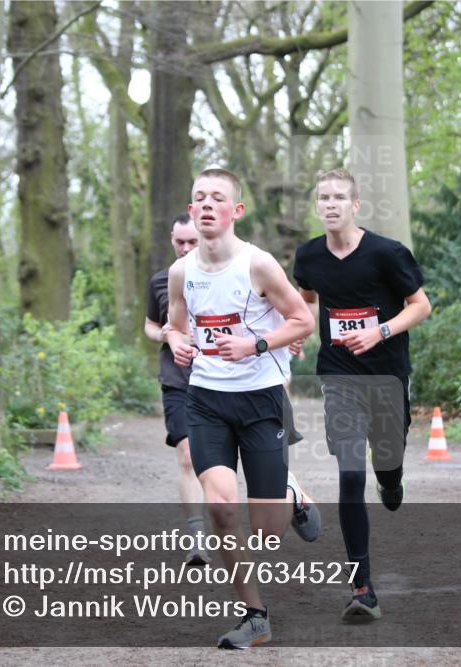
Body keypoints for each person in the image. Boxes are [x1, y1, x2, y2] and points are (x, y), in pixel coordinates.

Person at [166, 167, 320, 649]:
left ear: (236, 212)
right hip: (207, 401)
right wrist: (176, 342)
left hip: (261, 401)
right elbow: (174, 324)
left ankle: (290, 493)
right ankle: (255, 616)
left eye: (218, 198)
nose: (207, 204)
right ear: (192, 212)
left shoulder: (259, 265)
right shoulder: (180, 272)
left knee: (269, 533)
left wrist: (256, 345)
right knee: (222, 508)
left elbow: (303, 321)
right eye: (199, 198)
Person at [291, 168, 432, 622]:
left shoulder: (387, 254)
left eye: (339, 198)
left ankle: (391, 480)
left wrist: (381, 331)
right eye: (323, 198)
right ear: (317, 206)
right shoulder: (308, 256)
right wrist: (299, 332)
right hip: (340, 378)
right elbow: (308, 298)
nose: (330, 205)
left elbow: (421, 306)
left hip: (388, 377)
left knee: (386, 464)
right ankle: (363, 586)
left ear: (356, 206)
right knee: (350, 476)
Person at [144, 214, 210, 566]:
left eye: (192, 242)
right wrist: (165, 333)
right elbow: (150, 326)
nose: (185, 248)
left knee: (220, 462)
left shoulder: (223, 275)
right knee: (187, 455)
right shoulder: (159, 280)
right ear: (172, 239)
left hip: (220, 378)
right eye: (179, 242)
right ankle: (197, 540)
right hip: (176, 379)